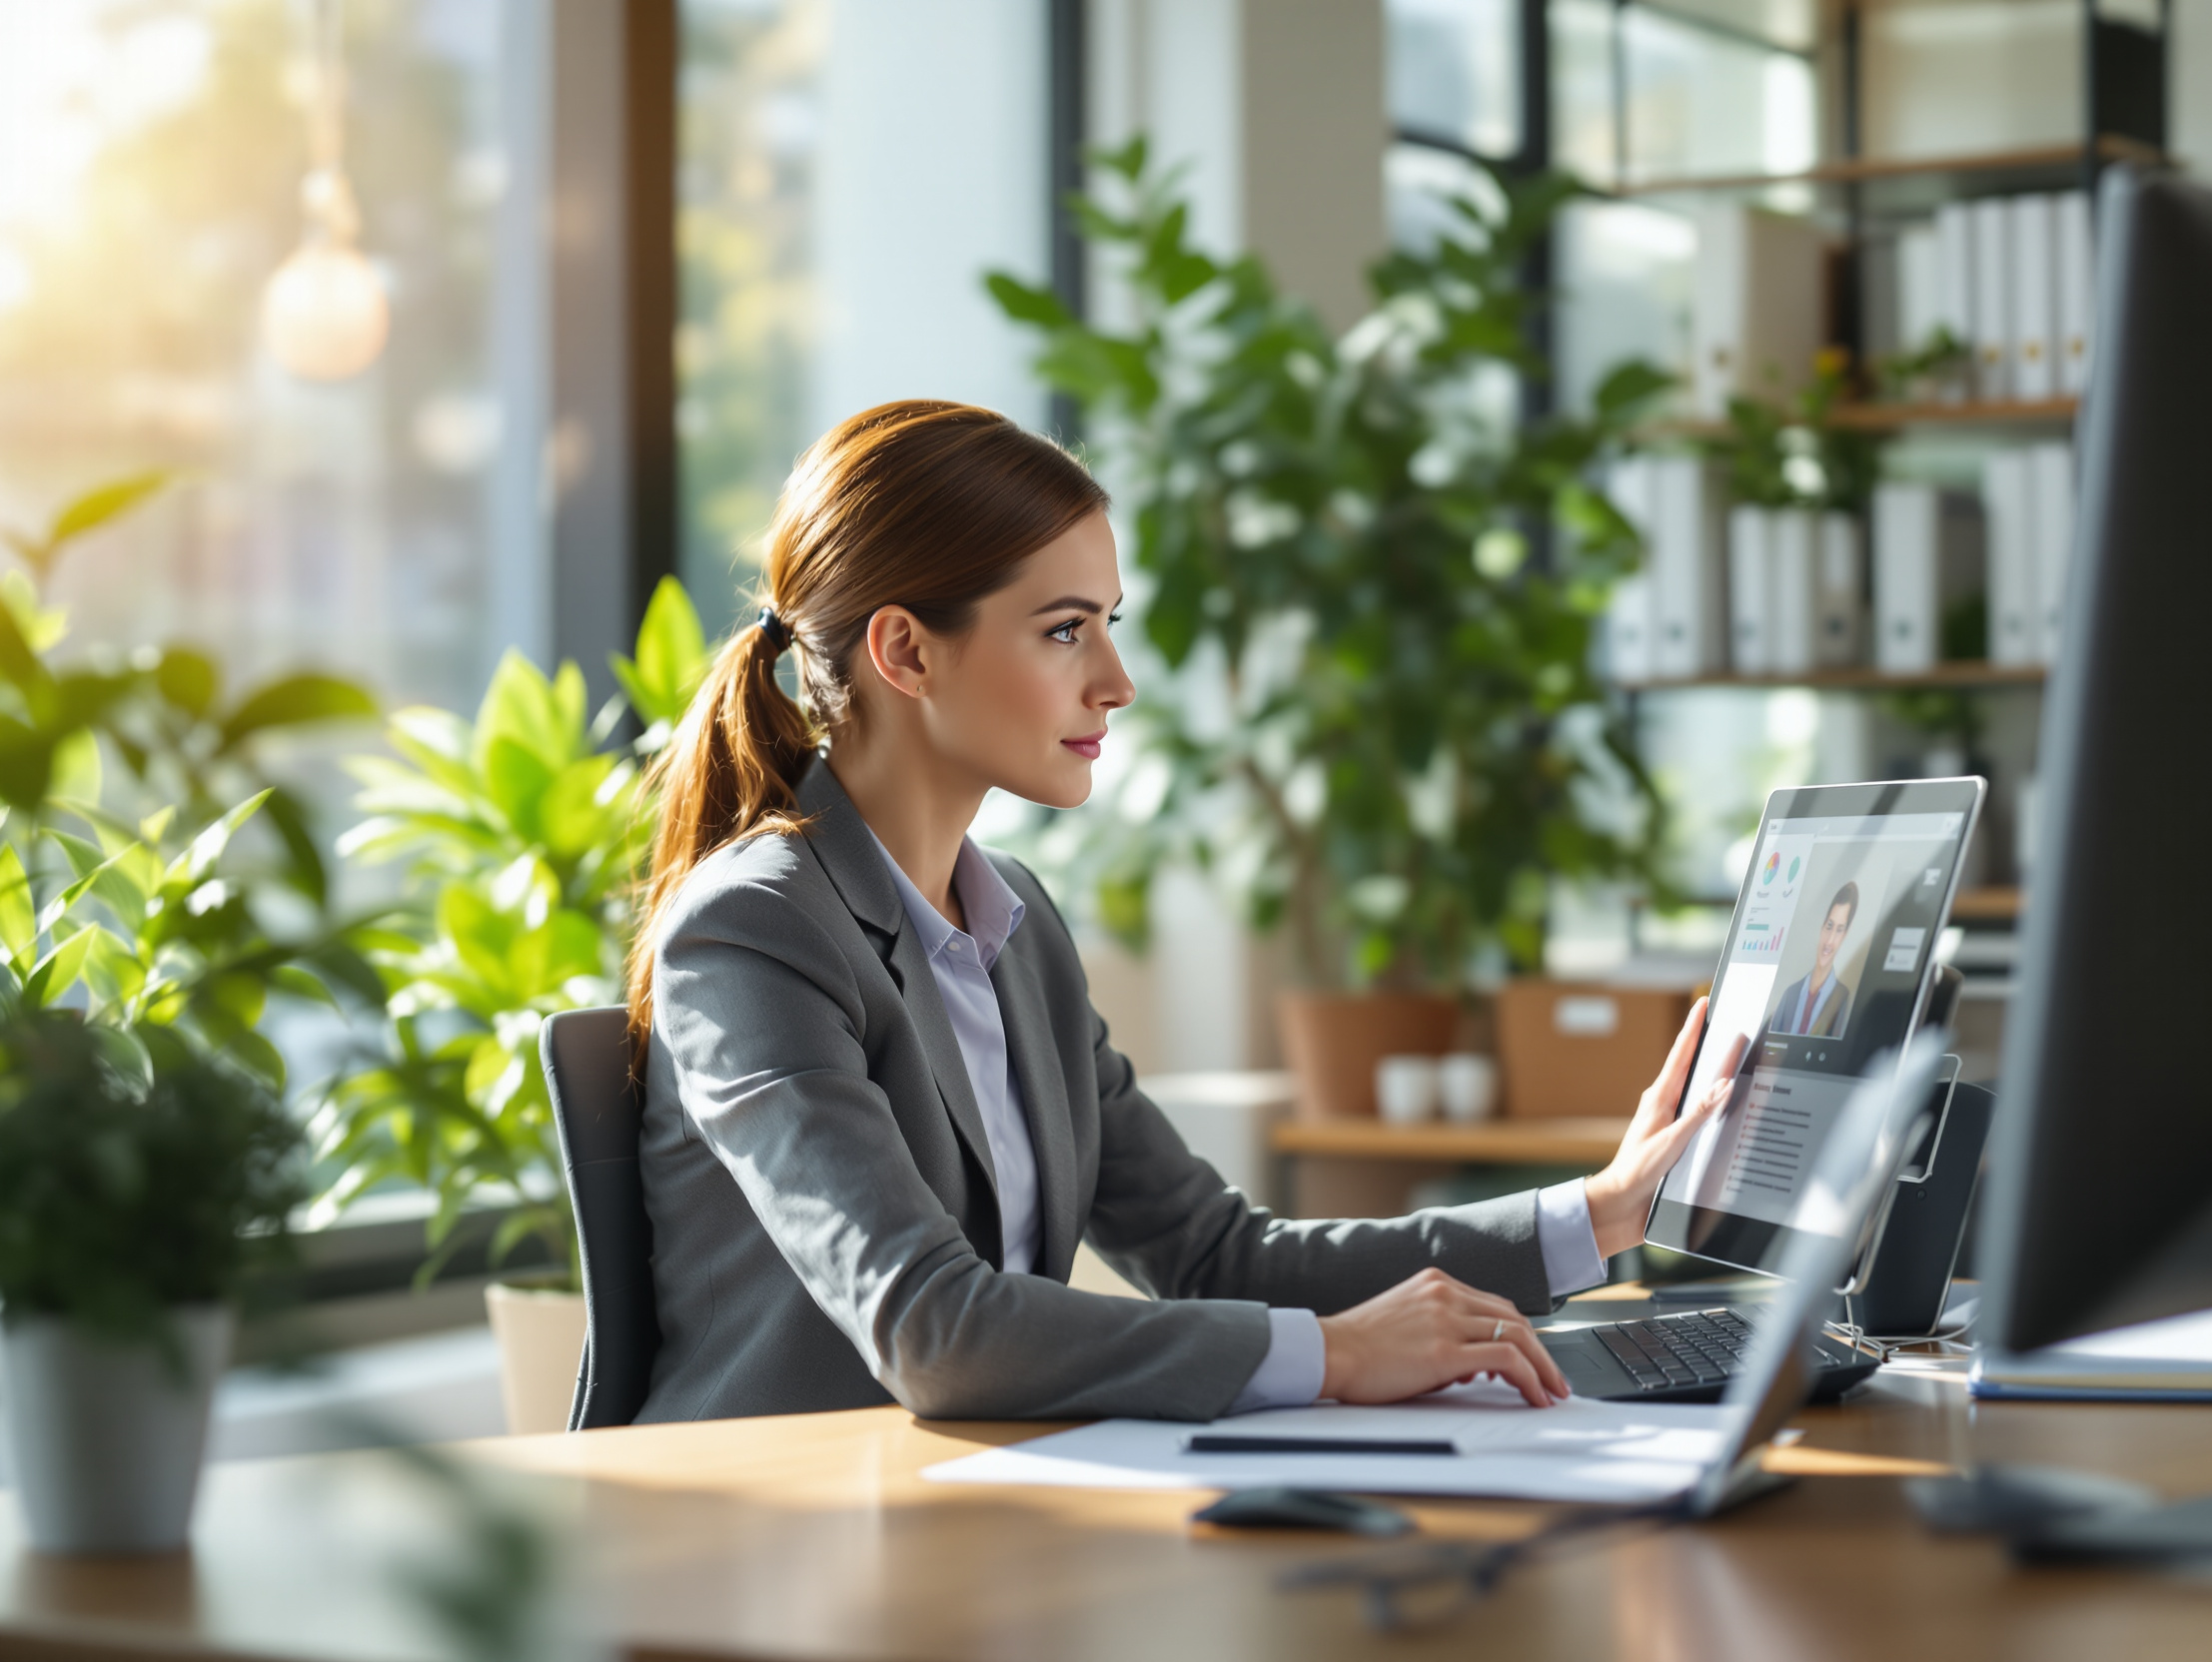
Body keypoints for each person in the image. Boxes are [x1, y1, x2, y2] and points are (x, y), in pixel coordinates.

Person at [627, 401, 1747, 1424]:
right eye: (1067, 628)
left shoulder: (1014, 920)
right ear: (906, 650)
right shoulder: (754, 932)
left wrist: (1598, 1212)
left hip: (982, 1503)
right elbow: (932, 1327)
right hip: (775, 1541)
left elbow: (1214, 1253)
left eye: (1108, 621)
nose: (1116, 678)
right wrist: (1337, 1353)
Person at [1767, 882, 1859, 1040]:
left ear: (1845, 935)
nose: (1830, 941)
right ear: (1821, 926)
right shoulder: (1790, 994)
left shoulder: (1842, 999)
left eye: (1839, 930)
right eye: (1829, 926)